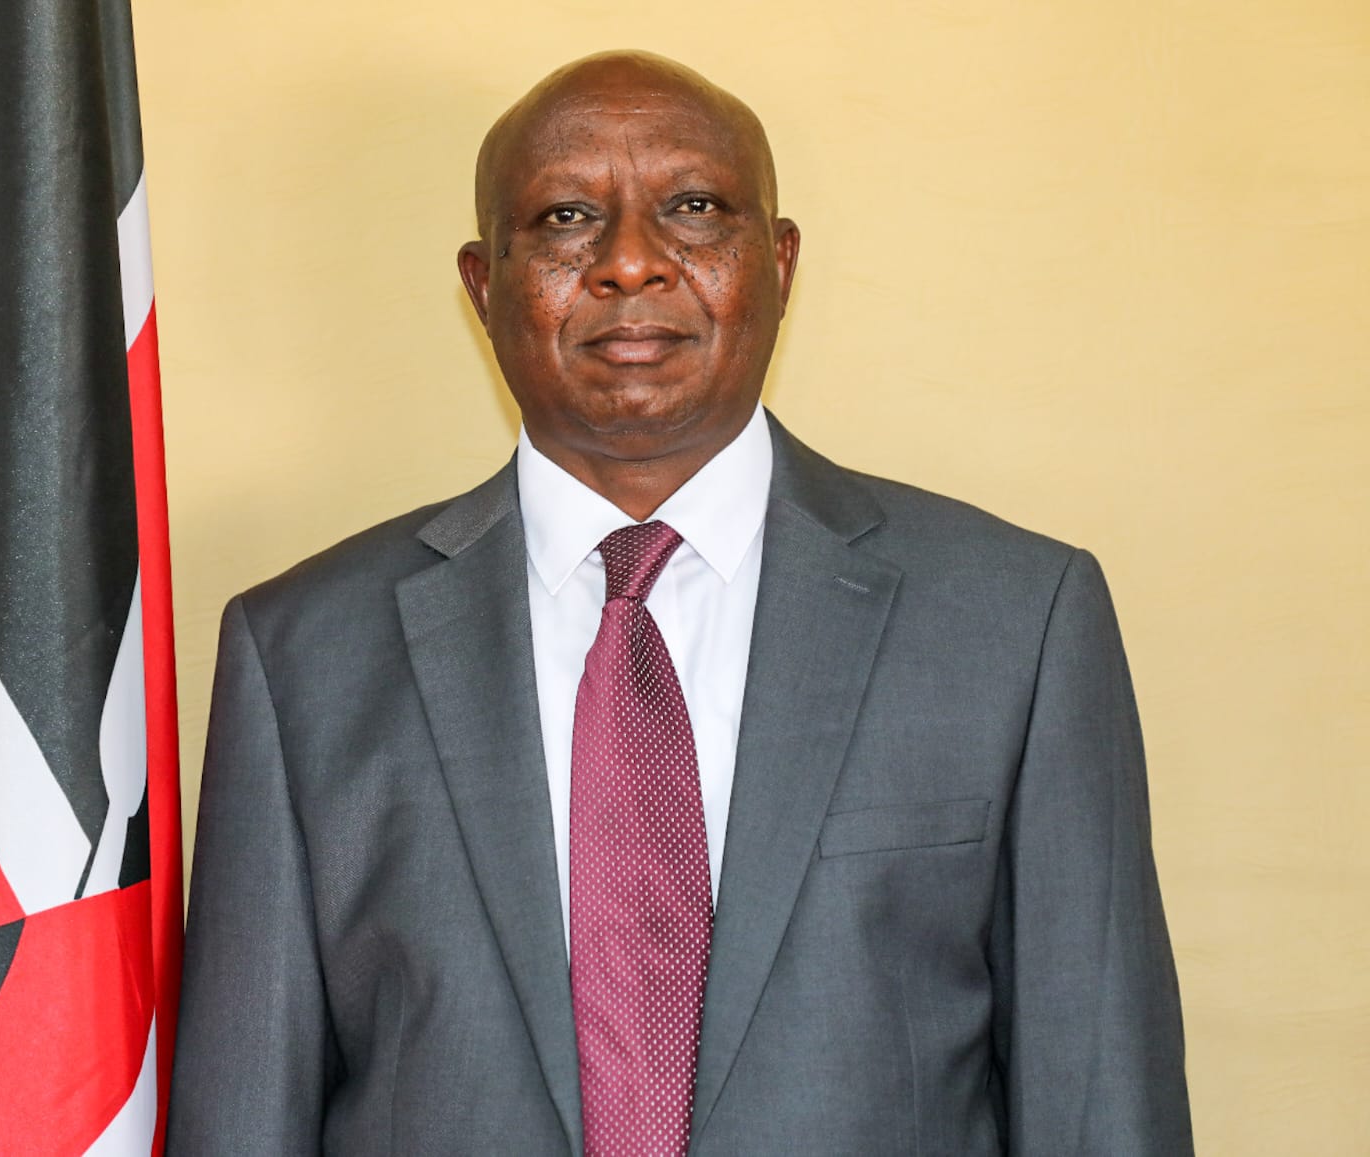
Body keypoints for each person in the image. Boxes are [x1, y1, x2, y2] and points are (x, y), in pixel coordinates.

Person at [168, 50, 1193, 1155]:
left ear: (780, 263)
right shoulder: (302, 654)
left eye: (694, 209)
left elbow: (1099, 1103)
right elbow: (242, 1117)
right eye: (565, 218)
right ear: (482, 284)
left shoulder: (1013, 623)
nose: (628, 263)